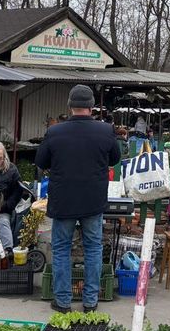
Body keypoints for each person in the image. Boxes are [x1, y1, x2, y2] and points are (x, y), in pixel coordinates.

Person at [35, 84, 122, 313]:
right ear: (92, 106)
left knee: (62, 248)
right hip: (93, 200)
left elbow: (41, 161)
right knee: (93, 248)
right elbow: (115, 158)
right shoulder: (106, 131)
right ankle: (90, 301)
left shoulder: (55, 132)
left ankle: (63, 302)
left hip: (63, 200)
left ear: (70, 106)